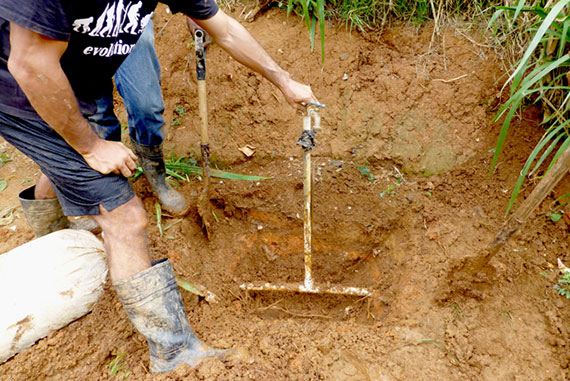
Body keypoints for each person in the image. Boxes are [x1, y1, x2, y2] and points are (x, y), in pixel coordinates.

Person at [0, 0, 318, 374]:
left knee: (65, 165)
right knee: (125, 217)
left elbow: (225, 29)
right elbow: (29, 64)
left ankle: (54, 239)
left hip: (72, 86)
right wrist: (91, 146)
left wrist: (283, 80)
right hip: (21, 97)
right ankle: (173, 350)